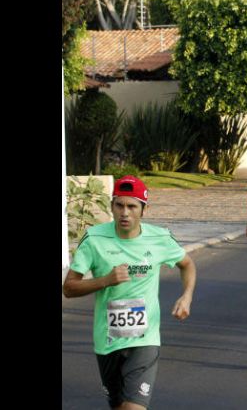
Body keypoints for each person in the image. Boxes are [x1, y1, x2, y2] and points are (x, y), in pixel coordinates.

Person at [63, 175, 197, 410]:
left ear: (144, 210)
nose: (125, 213)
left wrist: (186, 296)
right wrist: (105, 280)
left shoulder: (160, 238)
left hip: (145, 338)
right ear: (111, 206)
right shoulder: (94, 239)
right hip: (108, 340)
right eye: (120, 205)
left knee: (134, 407)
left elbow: (187, 264)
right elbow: (69, 288)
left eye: (132, 206)